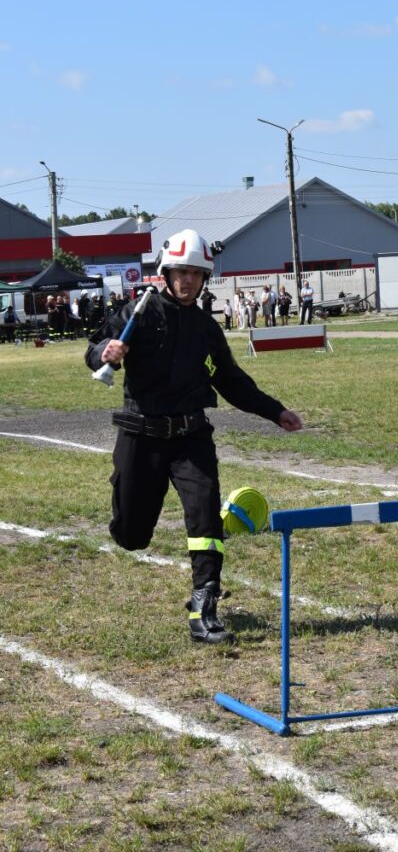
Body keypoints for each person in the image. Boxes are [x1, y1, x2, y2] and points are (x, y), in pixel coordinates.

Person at [85, 228, 302, 646]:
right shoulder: (138, 312)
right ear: (166, 273)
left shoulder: (206, 328)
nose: (187, 281)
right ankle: (128, 518)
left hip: (191, 438)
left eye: (196, 274)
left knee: (205, 519)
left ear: (205, 279)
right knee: (132, 536)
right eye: (181, 272)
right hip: (140, 436)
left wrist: (275, 411)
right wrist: (104, 353)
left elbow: (231, 381)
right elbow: (95, 349)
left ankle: (204, 608)